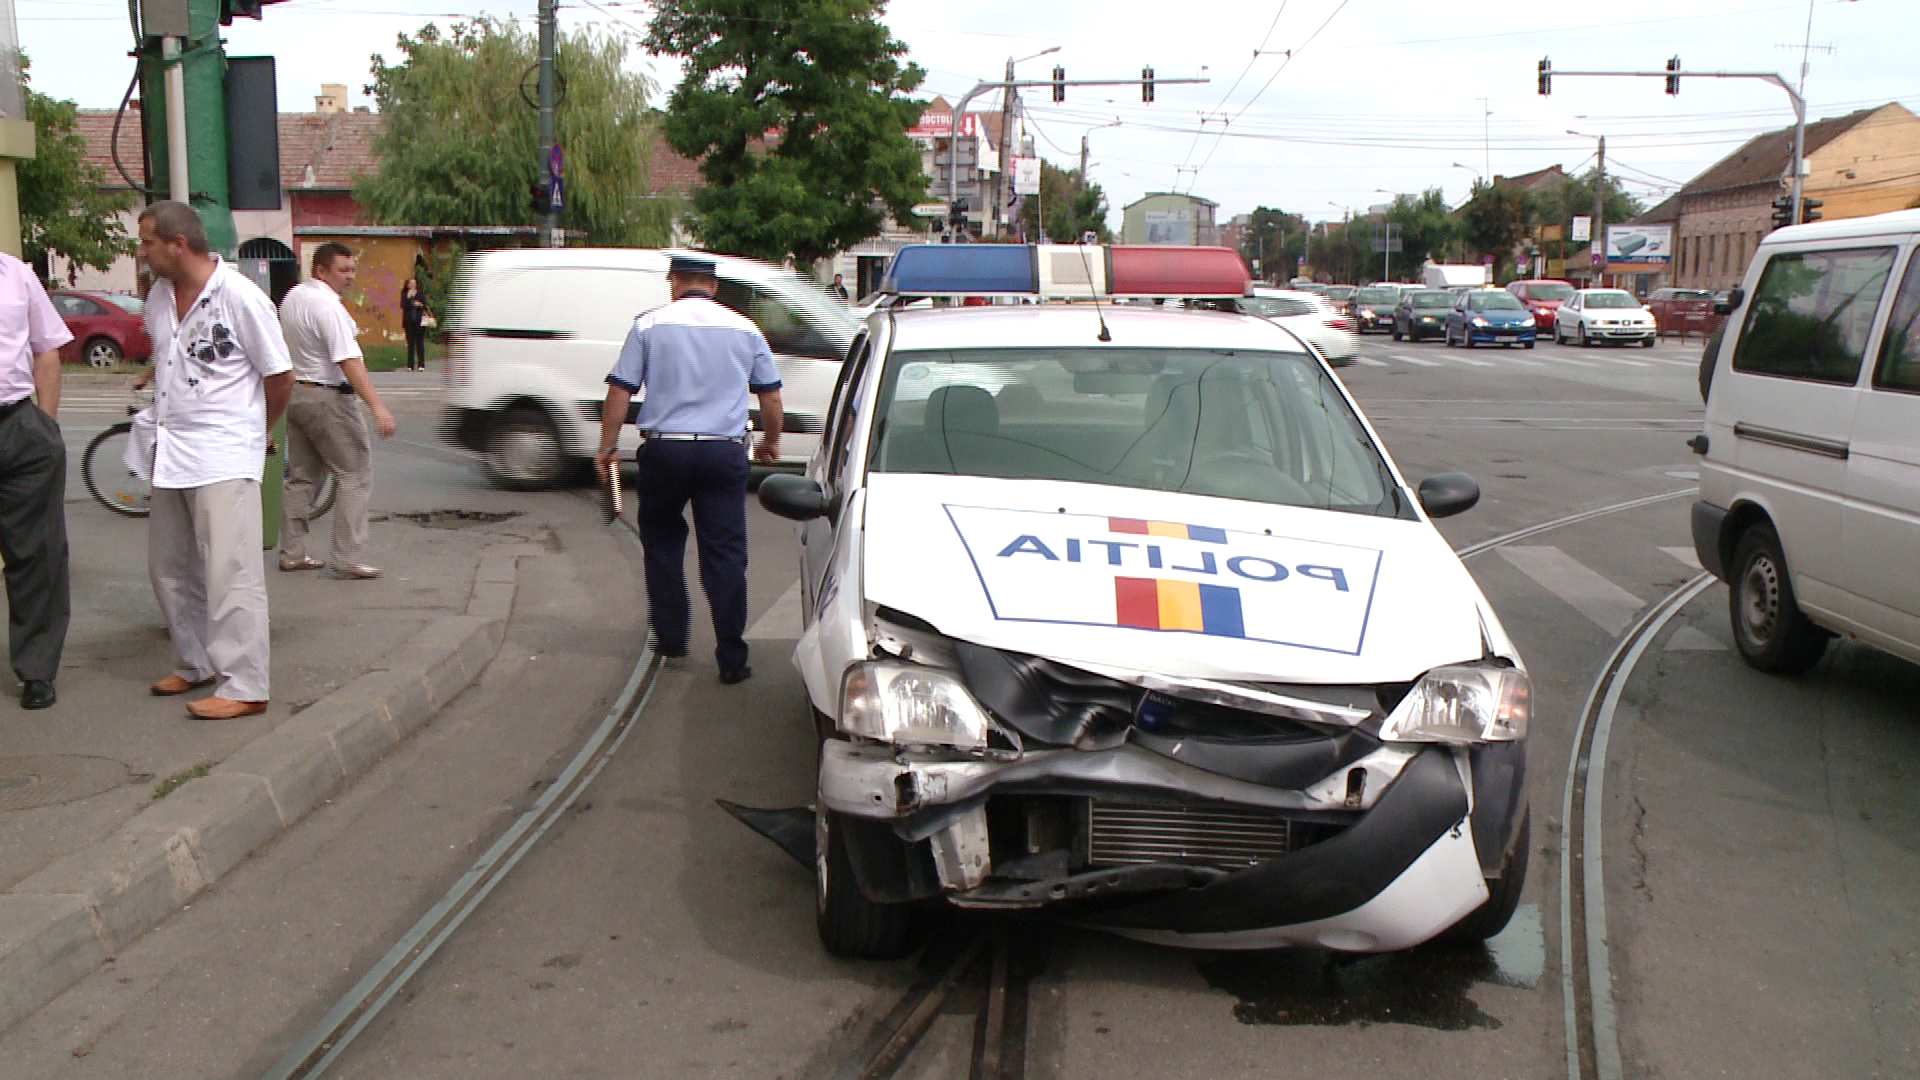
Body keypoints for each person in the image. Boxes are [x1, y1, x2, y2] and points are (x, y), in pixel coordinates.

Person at [137, 201, 294, 720]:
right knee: (171, 567)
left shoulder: (241, 297)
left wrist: (258, 430)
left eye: (147, 242)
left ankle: (245, 685)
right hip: (172, 449)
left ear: (178, 244)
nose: (142, 252)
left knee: (231, 571)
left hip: (224, 450)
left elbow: (279, 374)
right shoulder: (159, 298)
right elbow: (166, 360)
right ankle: (195, 661)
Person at [595, 255, 783, 684]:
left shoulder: (648, 326)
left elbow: (620, 391)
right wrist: (771, 443)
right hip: (723, 455)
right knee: (725, 555)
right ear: (714, 286)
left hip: (665, 453)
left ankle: (672, 638)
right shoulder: (745, 328)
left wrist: (607, 447)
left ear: (673, 282)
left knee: (662, 545)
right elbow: (770, 398)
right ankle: (732, 658)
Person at [278, 242, 397, 579]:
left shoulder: (294, 298)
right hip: (328, 399)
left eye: (352, 270)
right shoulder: (328, 307)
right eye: (343, 270)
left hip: (296, 392)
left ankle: (292, 552)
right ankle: (347, 555)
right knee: (355, 474)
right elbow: (348, 360)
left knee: (303, 477)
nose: (350, 277)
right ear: (321, 271)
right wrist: (378, 408)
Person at [0, 252, 72, 710]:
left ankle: (38, 670)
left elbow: (46, 348)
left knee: (37, 554)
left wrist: (45, 424)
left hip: (19, 425)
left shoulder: (16, 274)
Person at [399, 277, 427, 371]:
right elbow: (402, 306)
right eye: (411, 283)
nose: (412, 285)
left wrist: (420, 305)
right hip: (409, 322)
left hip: (419, 322)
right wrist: (408, 297)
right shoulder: (404, 294)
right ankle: (410, 365)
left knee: (420, 343)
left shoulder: (420, 293)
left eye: (414, 283)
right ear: (407, 285)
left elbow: (425, 305)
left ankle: (421, 364)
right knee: (410, 344)